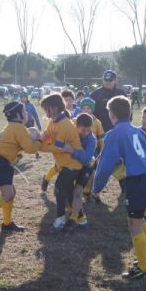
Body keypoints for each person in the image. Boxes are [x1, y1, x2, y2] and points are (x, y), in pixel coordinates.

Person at [93, 95, 146, 280]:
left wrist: (96, 187)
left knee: (134, 224)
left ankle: (143, 268)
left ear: (112, 115)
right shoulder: (138, 131)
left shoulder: (113, 134)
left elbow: (105, 165)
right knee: (141, 219)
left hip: (138, 180)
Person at [0, 102, 42, 233]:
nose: (26, 114)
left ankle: (7, 223)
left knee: (11, 193)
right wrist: (39, 140)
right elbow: (30, 148)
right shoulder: (18, 127)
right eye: (24, 112)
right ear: (17, 115)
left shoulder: (12, 126)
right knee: (8, 194)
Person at [38, 94, 83, 232]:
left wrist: (37, 146)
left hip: (73, 164)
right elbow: (45, 137)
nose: (46, 112)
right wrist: (37, 139)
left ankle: (60, 219)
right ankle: (81, 219)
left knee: (59, 188)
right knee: (68, 191)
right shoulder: (53, 121)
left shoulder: (64, 125)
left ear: (55, 108)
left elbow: (58, 147)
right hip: (65, 164)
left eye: (47, 109)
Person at [60, 113, 97, 228]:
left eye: (88, 130)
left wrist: (72, 151)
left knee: (78, 192)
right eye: (83, 130)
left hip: (86, 168)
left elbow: (87, 159)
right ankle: (78, 214)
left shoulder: (92, 140)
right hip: (71, 166)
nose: (85, 133)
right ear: (76, 126)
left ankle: (73, 219)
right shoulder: (71, 133)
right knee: (67, 191)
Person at [20, 91, 42, 158]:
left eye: (24, 97)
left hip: (30, 123)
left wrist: (38, 124)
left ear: (27, 98)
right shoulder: (18, 105)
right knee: (21, 138)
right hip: (22, 123)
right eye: (22, 97)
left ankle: (36, 152)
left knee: (33, 137)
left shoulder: (31, 105)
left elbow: (35, 115)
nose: (23, 99)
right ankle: (19, 153)